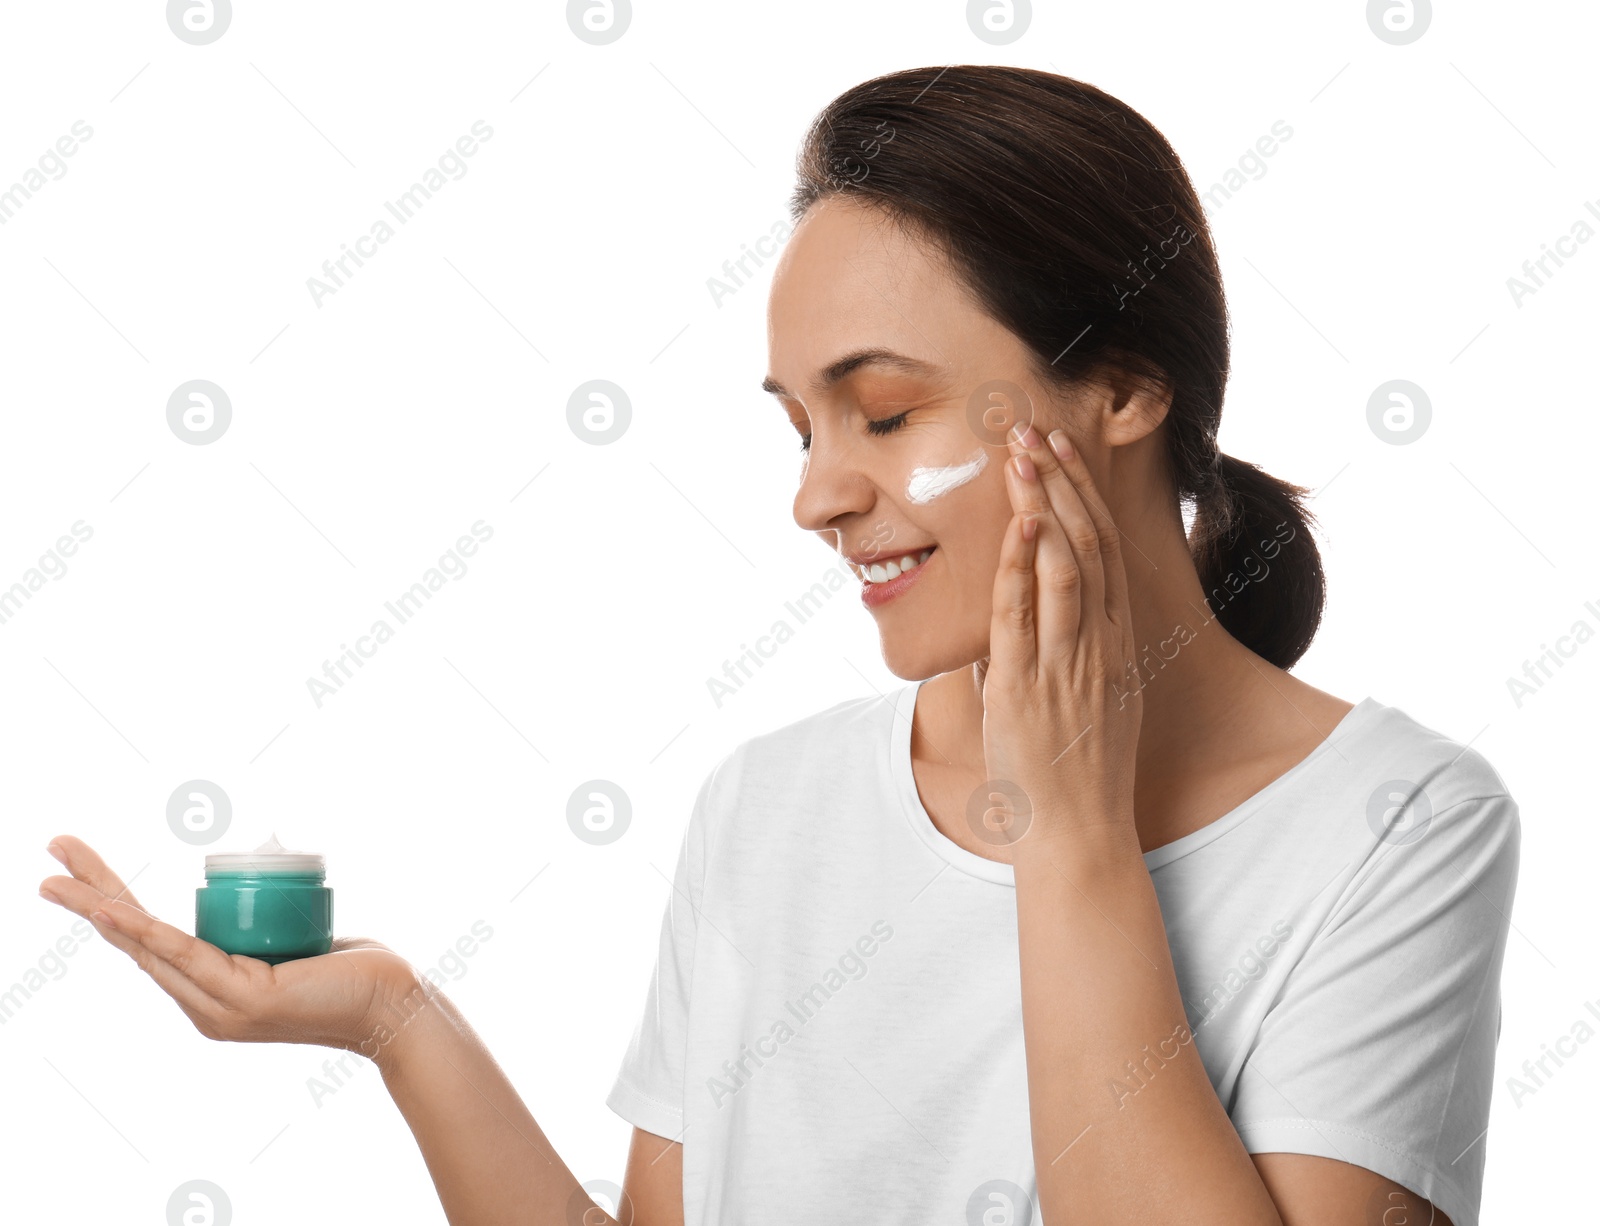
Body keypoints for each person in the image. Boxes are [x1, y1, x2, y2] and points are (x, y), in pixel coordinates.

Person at [39, 65, 1519, 1226]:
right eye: (801, 425)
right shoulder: (770, 810)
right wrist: (393, 1019)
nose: (817, 494)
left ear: (1124, 390)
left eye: (884, 412)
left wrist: (1069, 829)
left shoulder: (1398, 828)